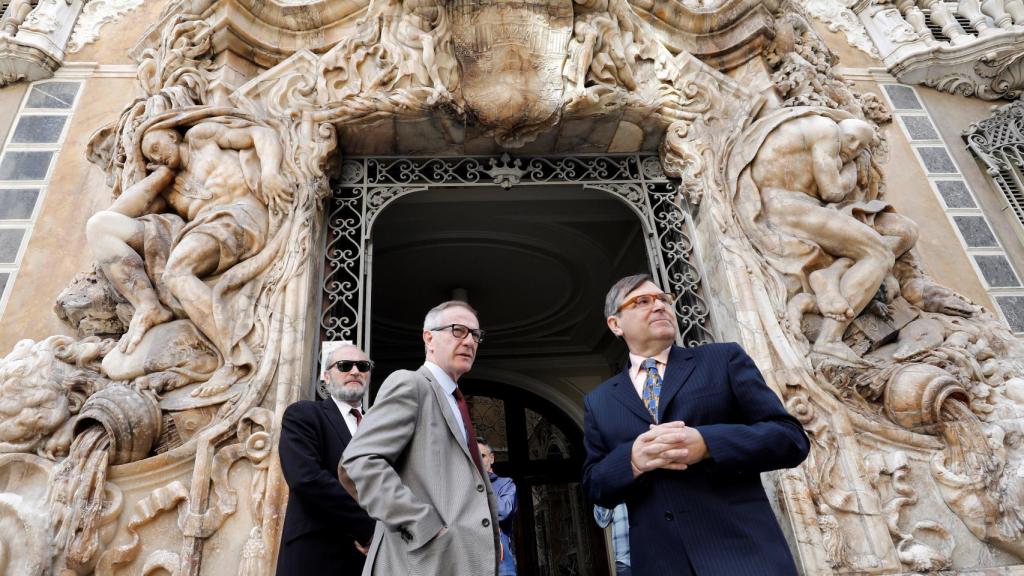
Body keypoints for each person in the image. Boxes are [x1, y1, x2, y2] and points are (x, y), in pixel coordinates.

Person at [582, 274, 810, 575]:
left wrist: (707, 443)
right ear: (616, 324)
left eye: (664, 299)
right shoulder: (599, 401)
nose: (660, 306)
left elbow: (791, 438)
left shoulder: (722, 359)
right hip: (660, 564)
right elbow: (594, 484)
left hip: (744, 556)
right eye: (643, 301)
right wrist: (632, 461)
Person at [86, 117, 294, 396]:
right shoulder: (170, 189)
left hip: (241, 216)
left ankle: (235, 360)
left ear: (174, 135)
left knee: (176, 272)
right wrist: (160, 176)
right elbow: (118, 214)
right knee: (98, 226)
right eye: (149, 155)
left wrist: (270, 172)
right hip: (203, 230)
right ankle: (149, 306)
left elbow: (261, 132)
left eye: (156, 146)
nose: (155, 155)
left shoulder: (201, 137)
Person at [341, 301, 500, 575]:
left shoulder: (453, 399)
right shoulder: (410, 384)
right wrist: (422, 525)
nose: (470, 341)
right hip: (423, 562)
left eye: (475, 335)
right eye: (458, 331)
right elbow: (358, 462)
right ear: (429, 337)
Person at [276, 344, 376, 575]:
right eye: (344, 366)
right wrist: (368, 529)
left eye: (363, 366)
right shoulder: (304, 414)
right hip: (317, 556)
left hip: (370, 562)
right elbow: (307, 478)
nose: (354, 371)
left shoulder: (378, 425)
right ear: (326, 376)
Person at [478, 438, 517, 576]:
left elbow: (503, 511)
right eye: (474, 457)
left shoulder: (506, 484)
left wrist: (480, 487)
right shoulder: (463, 487)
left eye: (482, 456)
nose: (478, 460)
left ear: (492, 458)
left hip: (501, 566)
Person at [594, 504, 630, 576]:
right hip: (625, 563)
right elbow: (602, 520)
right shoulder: (612, 494)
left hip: (649, 553)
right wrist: (601, 494)